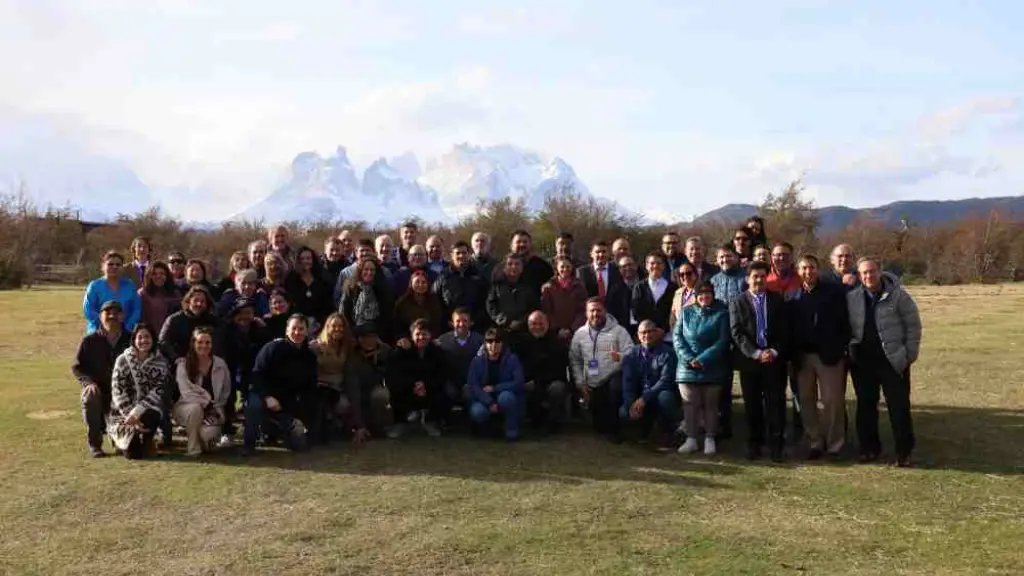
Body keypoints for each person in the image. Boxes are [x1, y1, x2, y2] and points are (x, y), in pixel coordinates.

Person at [847, 257, 922, 467]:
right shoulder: (852, 298)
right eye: (863, 273)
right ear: (859, 276)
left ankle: (904, 452)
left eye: (871, 271)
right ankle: (869, 449)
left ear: (879, 272)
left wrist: (909, 354)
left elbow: (913, 325)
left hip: (893, 360)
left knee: (899, 407)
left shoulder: (898, 296)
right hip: (863, 363)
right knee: (866, 407)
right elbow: (846, 327)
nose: (868, 276)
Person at [791, 254, 850, 460]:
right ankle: (814, 441)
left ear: (818, 269)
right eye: (804, 268)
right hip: (803, 357)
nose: (808, 272)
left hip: (829, 355)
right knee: (807, 400)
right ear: (799, 272)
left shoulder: (834, 293)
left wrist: (841, 346)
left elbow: (845, 322)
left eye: (812, 267)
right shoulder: (793, 297)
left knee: (832, 400)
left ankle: (834, 443)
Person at [730, 262, 791, 462]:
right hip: (750, 362)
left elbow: (784, 330)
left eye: (762, 276)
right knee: (752, 405)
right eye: (754, 276)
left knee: (776, 403)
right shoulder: (738, 302)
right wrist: (755, 353)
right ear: (747, 279)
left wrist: (773, 351)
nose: (758, 280)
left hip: (774, 360)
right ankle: (754, 443)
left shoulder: (777, 300)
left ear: (767, 278)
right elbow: (737, 332)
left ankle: (776, 445)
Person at [243, 314, 318, 455]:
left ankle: (273, 430)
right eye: (294, 328)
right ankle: (249, 444)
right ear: (286, 330)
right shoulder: (272, 348)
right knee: (254, 405)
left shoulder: (309, 357)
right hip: (263, 396)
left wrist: (300, 419)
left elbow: (310, 389)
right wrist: (267, 397)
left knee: (300, 445)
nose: (297, 332)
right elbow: (256, 375)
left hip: (286, 405)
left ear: (307, 331)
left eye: (301, 329)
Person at [675, 282, 731, 455]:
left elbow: (723, 341)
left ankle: (710, 438)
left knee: (711, 404)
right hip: (687, 368)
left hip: (712, 367)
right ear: (696, 296)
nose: (704, 297)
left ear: (713, 295)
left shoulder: (721, 314)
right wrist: (690, 359)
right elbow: (678, 338)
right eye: (701, 294)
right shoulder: (685, 313)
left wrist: (703, 359)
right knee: (690, 404)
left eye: (708, 293)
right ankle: (691, 439)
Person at [73, 300, 132, 457]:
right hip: (98, 388)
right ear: (100, 316)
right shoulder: (89, 341)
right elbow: (77, 367)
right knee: (89, 395)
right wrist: (88, 383)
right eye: (107, 312)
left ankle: (119, 439)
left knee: (126, 449)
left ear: (122, 316)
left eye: (116, 313)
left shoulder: (131, 339)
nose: (112, 315)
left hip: (123, 390)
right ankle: (95, 444)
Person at [570, 298, 634, 441]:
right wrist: (581, 384)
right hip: (591, 382)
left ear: (605, 311)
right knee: (599, 427)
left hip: (611, 377)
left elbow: (631, 353)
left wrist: (620, 357)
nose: (595, 314)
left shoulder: (619, 331)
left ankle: (616, 429)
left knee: (615, 387)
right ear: (586, 313)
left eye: (598, 310)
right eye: (591, 310)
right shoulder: (579, 334)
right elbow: (575, 360)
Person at [310, 313, 372, 446]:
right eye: (334, 326)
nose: (338, 329)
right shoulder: (316, 347)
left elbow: (351, 376)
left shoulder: (347, 348)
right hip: (320, 388)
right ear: (327, 327)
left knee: (347, 404)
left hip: (338, 387)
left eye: (341, 326)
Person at [108, 323, 168, 459]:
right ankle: (122, 439)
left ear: (153, 339)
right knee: (132, 455)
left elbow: (157, 392)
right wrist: (130, 415)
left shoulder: (161, 362)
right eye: (139, 337)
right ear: (134, 340)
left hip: (146, 409)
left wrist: (136, 413)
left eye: (147, 337)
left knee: (153, 413)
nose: (143, 341)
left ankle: (148, 441)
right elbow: (117, 390)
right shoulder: (122, 360)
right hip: (123, 411)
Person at [216, 297, 270, 446]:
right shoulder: (226, 329)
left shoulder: (258, 329)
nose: (244, 316)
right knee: (228, 398)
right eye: (240, 313)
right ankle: (227, 431)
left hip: (252, 371)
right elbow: (221, 352)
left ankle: (255, 429)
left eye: (248, 312)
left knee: (253, 399)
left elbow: (264, 351)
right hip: (230, 369)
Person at [621, 320, 680, 450]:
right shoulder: (630, 355)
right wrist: (631, 404)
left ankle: (668, 431)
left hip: (658, 396)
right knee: (624, 412)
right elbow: (628, 383)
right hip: (639, 398)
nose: (646, 335)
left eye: (650, 332)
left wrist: (645, 398)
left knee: (666, 398)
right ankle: (642, 430)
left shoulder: (668, 353)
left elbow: (666, 380)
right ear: (637, 335)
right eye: (643, 332)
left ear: (657, 333)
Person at [173, 326, 231, 456]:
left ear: (212, 344)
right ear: (193, 343)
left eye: (207, 342)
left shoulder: (220, 364)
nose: (204, 346)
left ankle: (203, 439)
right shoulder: (183, 365)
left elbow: (225, 391)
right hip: (186, 408)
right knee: (195, 408)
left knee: (207, 437)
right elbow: (187, 394)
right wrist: (207, 402)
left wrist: (217, 408)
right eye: (199, 342)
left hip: (213, 411)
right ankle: (193, 448)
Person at [388, 319, 446, 438]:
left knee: (442, 392)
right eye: (417, 334)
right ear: (412, 335)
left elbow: (442, 374)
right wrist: (413, 385)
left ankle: (430, 422)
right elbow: (395, 373)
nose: (421, 337)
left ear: (430, 335)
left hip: (428, 387)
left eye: (424, 334)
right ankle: (400, 423)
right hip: (408, 387)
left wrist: (425, 385)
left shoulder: (437, 351)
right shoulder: (402, 350)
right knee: (396, 389)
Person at [515, 311, 570, 432]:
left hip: (549, 382)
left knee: (558, 388)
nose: (538, 327)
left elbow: (559, 371)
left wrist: (538, 382)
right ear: (528, 325)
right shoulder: (520, 343)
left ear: (548, 324)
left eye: (541, 323)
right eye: (534, 324)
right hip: (527, 382)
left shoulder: (557, 343)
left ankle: (555, 420)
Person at [467, 329, 525, 441]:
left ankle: (511, 429)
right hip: (484, 398)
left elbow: (518, 382)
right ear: (485, 343)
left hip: (504, 395)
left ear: (503, 343)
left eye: (497, 341)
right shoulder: (477, 361)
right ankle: (487, 428)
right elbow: (473, 385)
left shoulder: (512, 359)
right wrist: (489, 402)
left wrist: (495, 388)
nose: (493, 345)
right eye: (489, 341)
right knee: (477, 412)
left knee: (507, 398)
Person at [435, 308, 486, 416]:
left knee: (474, 404)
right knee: (446, 392)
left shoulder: (480, 340)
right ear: (451, 323)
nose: (461, 324)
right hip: (450, 380)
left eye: (465, 321)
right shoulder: (442, 340)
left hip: (472, 381)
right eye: (458, 321)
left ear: (471, 323)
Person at [349, 323, 395, 437]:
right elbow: (353, 390)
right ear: (358, 339)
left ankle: (381, 426)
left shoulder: (385, 351)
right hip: (355, 389)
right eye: (365, 337)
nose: (369, 341)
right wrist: (360, 425)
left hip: (376, 387)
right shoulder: (352, 357)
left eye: (372, 337)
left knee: (381, 396)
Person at [486, 254, 541, 344]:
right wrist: (503, 321)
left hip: (524, 331)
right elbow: (491, 306)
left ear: (522, 268)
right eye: (510, 264)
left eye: (517, 264)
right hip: (501, 330)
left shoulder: (528, 288)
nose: (513, 267)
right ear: (504, 268)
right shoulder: (497, 287)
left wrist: (521, 322)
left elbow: (534, 308)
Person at [84, 250, 141, 334]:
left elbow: (136, 309)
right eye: (110, 264)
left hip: (125, 331)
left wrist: (127, 327)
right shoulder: (94, 286)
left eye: (118, 265)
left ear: (122, 267)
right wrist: (105, 326)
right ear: (103, 266)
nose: (114, 267)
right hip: (99, 331)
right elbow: (89, 310)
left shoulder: (130, 286)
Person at [159, 286, 219, 364]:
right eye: (196, 300)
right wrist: (175, 358)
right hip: (181, 364)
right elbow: (163, 341)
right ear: (188, 301)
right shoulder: (174, 320)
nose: (199, 304)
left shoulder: (214, 321)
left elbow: (218, 344)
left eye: (202, 301)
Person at [435, 240, 487, 327]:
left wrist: (474, 321)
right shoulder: (443, 276)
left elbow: (484, 301)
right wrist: (446, 321)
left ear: (469, 254)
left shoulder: (478, 275)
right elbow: (435, 300)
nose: (461, 256)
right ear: (452, 255)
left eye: (464, 253)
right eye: (458, 253)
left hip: (474, 326)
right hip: (449, 326)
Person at [340, 259, 394, 343]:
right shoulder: (351, 288)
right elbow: (343, 312)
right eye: (366, 269)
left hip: (376, 333)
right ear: (360, 271)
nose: (369, 272)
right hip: (354, 332)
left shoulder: (383, 290)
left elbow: (386, 316)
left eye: (372, 270)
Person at [541, 256, 588, 343]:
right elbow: (546, 311)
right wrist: (558, 329)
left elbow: (582, 310)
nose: (565, 269)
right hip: (555, 333)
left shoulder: (579, 286)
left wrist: (572, 329)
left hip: (575, 332)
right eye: (562, 267)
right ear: (557, 268)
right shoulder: (548, 288)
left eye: (568, 266)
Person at [284, 246, 334, 328]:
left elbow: (327, 304)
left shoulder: (321, 278)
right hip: (296, 324)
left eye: (308, 258)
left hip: (318, 324)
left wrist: (320, 322)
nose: (305, 261)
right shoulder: (290, 278)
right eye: (302, 259)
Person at [393, 269, 445, 344]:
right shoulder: (402, 302)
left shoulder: (434, 301)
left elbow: (436, 324)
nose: (420, 285)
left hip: (429, 339)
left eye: (423, 282)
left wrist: (431, 337)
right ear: (411, 283)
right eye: (417, 282)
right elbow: (398, 325)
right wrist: (403, 338)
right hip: (408, 340)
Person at [631, 252, 678, 332]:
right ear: (646, 266)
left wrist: (662, 330)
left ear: (663, 266)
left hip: (667, 334)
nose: (655, 266)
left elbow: (675, 311)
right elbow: (636, 311)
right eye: (652, 263)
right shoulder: (639, 287)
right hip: (645, 334)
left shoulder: (673, 287)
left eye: (659, 263)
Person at [138, 261, 182, 334]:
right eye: (154, 274)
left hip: (171, 336)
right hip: (150, 336)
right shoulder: (143, 294)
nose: (159, 276)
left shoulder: (175, 293)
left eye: (162, 274)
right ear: (149, 276)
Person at [508, 230, 555, 295]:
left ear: (530, 244)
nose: (522, 244)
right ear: (511, 245)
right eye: (518, 242)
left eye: (525, 242)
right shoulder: (502, 268)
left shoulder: (543, 267)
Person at [334, 239, 377, 305]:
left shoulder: (382, 271)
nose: (365, 253)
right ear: (356, 253)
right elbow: (338, 297)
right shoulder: (345, 272)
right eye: (362, 250)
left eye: (368, 250)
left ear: (373, 252)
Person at [668, 262, 700, 335]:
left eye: (688, 273)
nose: (685, 276)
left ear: (695, 274)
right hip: (679, 335)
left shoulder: (702, 291)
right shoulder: (678, 293)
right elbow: (672, 317)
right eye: (681, 274)